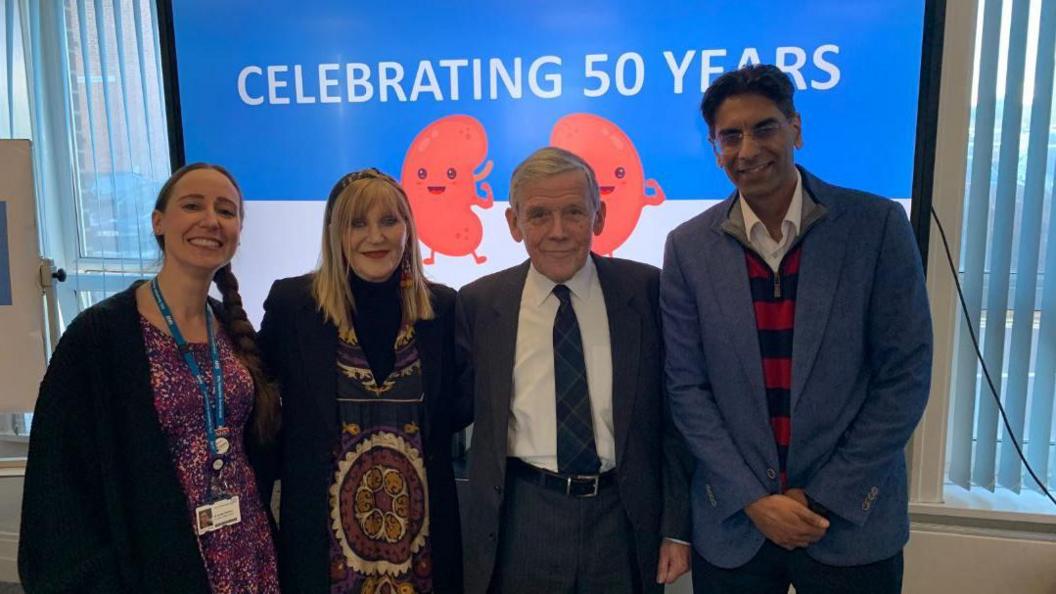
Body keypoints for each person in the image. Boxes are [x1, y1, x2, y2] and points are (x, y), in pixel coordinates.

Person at [660, 64, 933, 593]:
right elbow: (686, 389)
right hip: (736, 526)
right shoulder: (688, 247)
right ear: (714, 146)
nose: (747, 149)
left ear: (796, 129)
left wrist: (820, 496)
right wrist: (753, 499)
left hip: (849, 522)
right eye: (729, 136)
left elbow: (905, 376)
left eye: (764, 128)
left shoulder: (876, 227)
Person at [19, 163, 282, 593]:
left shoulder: (230, 327)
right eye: (192, 205)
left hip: (245, 551)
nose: (210, 220)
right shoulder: (99, 337)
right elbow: (59, 485)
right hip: (158, 562)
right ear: (158, 222)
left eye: (226, 211)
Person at [456, 147, 692, 594]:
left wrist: (676, 528)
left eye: (574, 212)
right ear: (513, 223)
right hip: (522, 519)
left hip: (623, 518)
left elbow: (675, 420)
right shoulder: (480, 303)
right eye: (539, 215)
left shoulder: (645, 291)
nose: (558, 231)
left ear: (598, 216)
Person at [258, 168, 467, 593]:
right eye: (358, 223)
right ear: (335, 233)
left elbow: (459, 409)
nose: (376, 236)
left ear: (407, 229)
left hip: (422, 545)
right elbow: (257, 402)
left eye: (389, 221)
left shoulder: (441, 309)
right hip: (324, 548)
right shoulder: (294, 306)